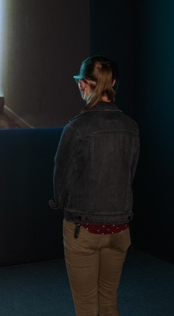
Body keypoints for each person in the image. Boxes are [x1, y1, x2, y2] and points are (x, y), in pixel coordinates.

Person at [49, 55, 140, 316]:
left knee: (87, 306)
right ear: (113, 83)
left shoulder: (76, 128)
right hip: (120, 228)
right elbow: (129, 174)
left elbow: (61, 179)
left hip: (83, 229)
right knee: (109, 300)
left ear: (84, 84)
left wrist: (61, 203)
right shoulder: (131, 127)